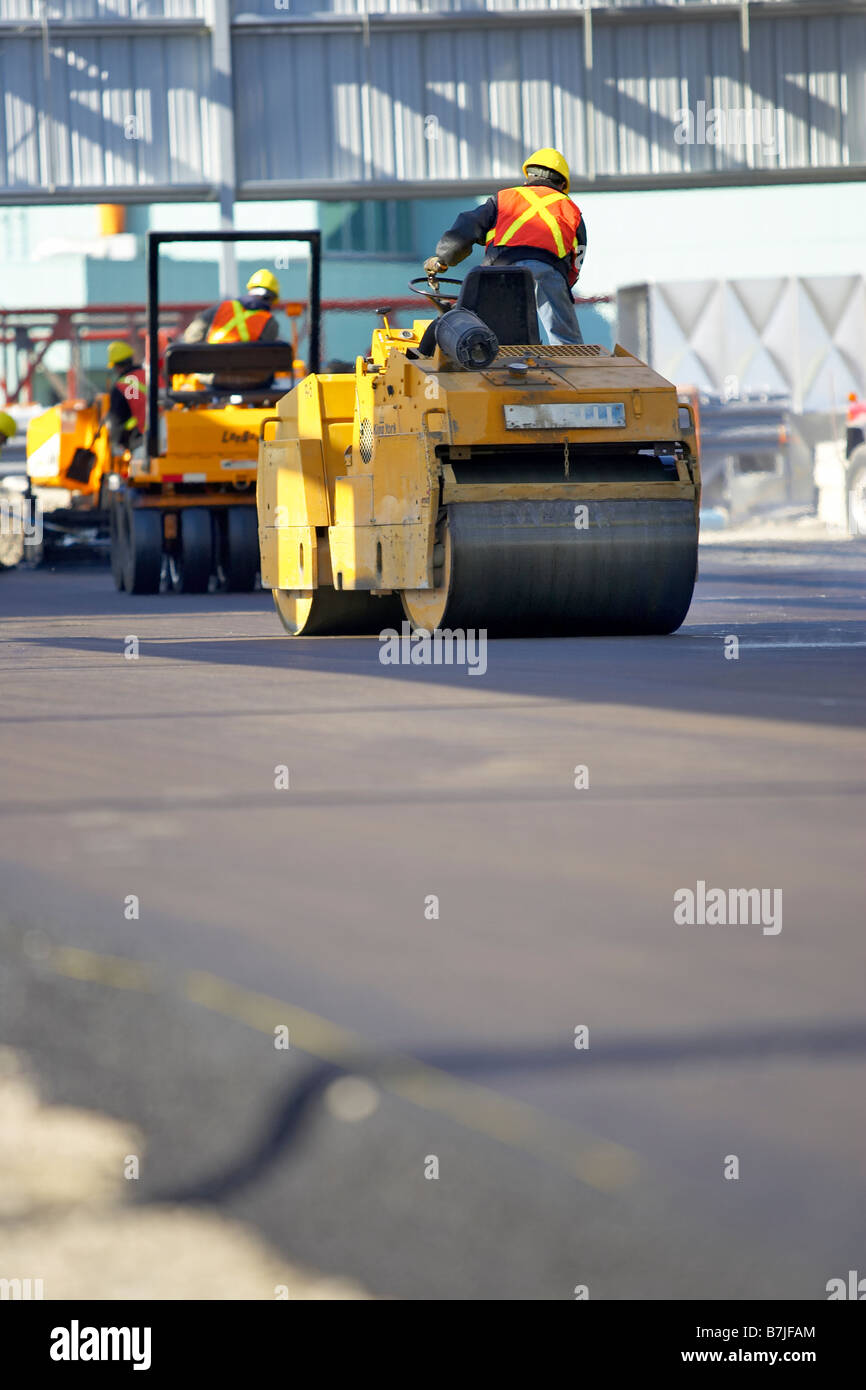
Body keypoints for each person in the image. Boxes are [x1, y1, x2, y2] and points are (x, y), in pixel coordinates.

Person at [424, 148, 587, 346]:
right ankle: (572, 365)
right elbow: (577, 259)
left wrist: (443, 258)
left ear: (528, 178)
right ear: (562, 185)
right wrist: (563, 287)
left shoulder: (504, 199)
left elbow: (467, 226)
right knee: (568, 344)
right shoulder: (571, 209)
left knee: (471, 328)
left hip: (500, 270)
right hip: (549, 273)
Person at [183, 269, 281, 346]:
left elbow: (192, 336)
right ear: (272, 299)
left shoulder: (221, 307)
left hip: (212, 368)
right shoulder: (269, 321)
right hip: (249, 370)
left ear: (251, 290)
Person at [106, 341, 146, 448]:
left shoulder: (121, 387)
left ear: (116, 366)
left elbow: (117, 420)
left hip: (141, 440)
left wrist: (118, 443)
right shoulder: (151, 375)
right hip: (166, 433)